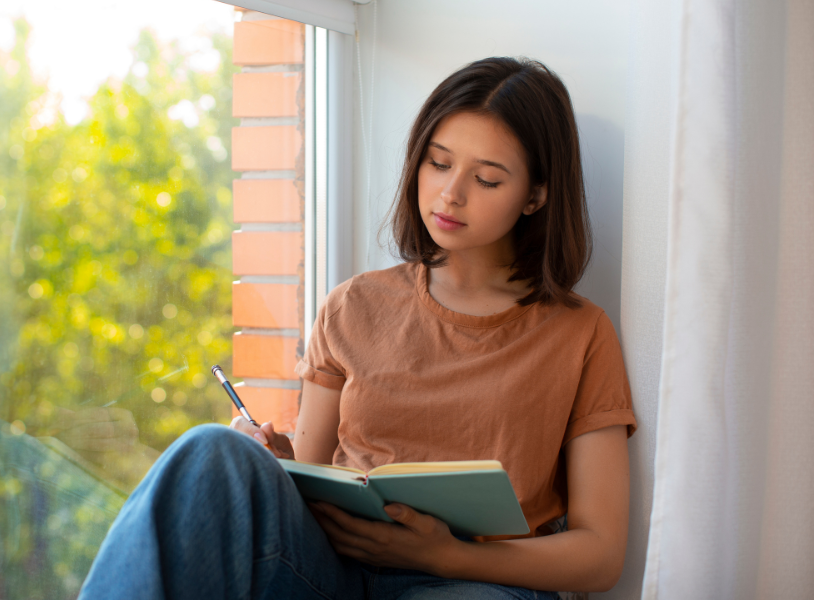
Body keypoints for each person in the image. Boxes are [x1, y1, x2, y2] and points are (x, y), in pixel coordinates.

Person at [78, 57, 637, 600]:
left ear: (536, 195)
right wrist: (275, 457)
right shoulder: (355, 305)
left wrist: (443, 556)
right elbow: (313, 472)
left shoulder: (579, 333)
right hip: (335, 571)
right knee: (212, 451)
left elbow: (601, 553)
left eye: (487, 179)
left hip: (476, 581)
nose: (450, 193)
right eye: (439, 164)